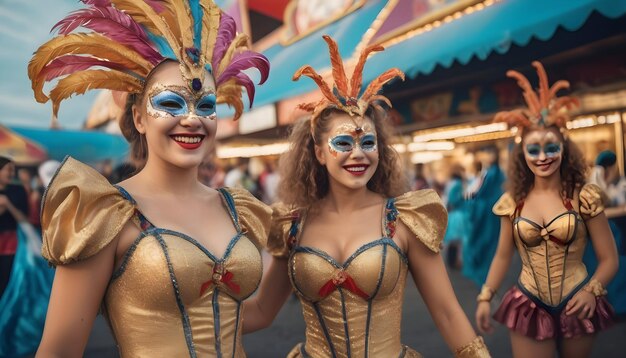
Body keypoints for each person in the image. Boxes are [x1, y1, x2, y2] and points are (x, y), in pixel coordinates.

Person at [28, 1, 271, 356]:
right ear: (139, 118)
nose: (192, 119)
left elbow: (251, 315)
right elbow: (58, 350)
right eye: (172, 104)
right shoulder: (105, 212)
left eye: (205, 106)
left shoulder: (236, 207)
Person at [243, 35, 490, 357]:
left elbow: (446, 312)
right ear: (319, 153)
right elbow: (262, 311)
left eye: (368, 143)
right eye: (344, 143)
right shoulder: (292, 225)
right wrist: (185, 315)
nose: (358, 154)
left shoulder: (405, 219)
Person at [475, 62, 618, 358]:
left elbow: (609, 258)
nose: (543, 157)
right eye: (534, 149)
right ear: (521, 153)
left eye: (551, 147)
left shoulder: (585, 197)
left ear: (564, 148)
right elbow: (503, 255)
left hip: (577, 299)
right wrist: (485, 296)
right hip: (529, 302)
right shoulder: (512, 202)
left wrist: (592, 290)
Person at [0, 157, 29, 299]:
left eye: (13, 170)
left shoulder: (18, 191)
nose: (12, 174)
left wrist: (8, 205)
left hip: (10, 246)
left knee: (8, 284)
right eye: (8, 170)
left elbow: (24, 219)